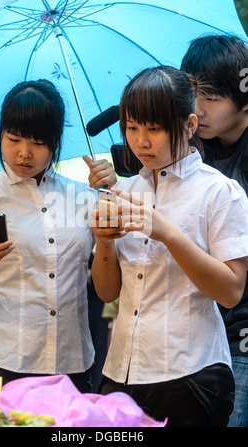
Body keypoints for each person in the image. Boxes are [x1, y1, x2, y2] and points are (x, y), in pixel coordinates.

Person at [91, 65, 248, 426]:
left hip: (192, 375)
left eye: (154, 128)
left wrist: (170, 234)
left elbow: (231, 291)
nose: (141, 141)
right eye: (131, 127)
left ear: (190, 126)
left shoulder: (219, 192)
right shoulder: (124, 193)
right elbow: (108, 290)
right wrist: (103, 242)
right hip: (122, 375)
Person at [0, 79, 115, 391]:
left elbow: (109, 292)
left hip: (71, 366)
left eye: (38, 143)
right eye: (13, 139)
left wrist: (112, 195)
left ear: (55, 142)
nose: (24, 153)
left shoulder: (84, 197)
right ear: (0, 134)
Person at [180, 34, 248, 427]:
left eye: (211, 97)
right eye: (192, 95)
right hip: (202, 332)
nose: (198, 110)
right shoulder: (193, 142)